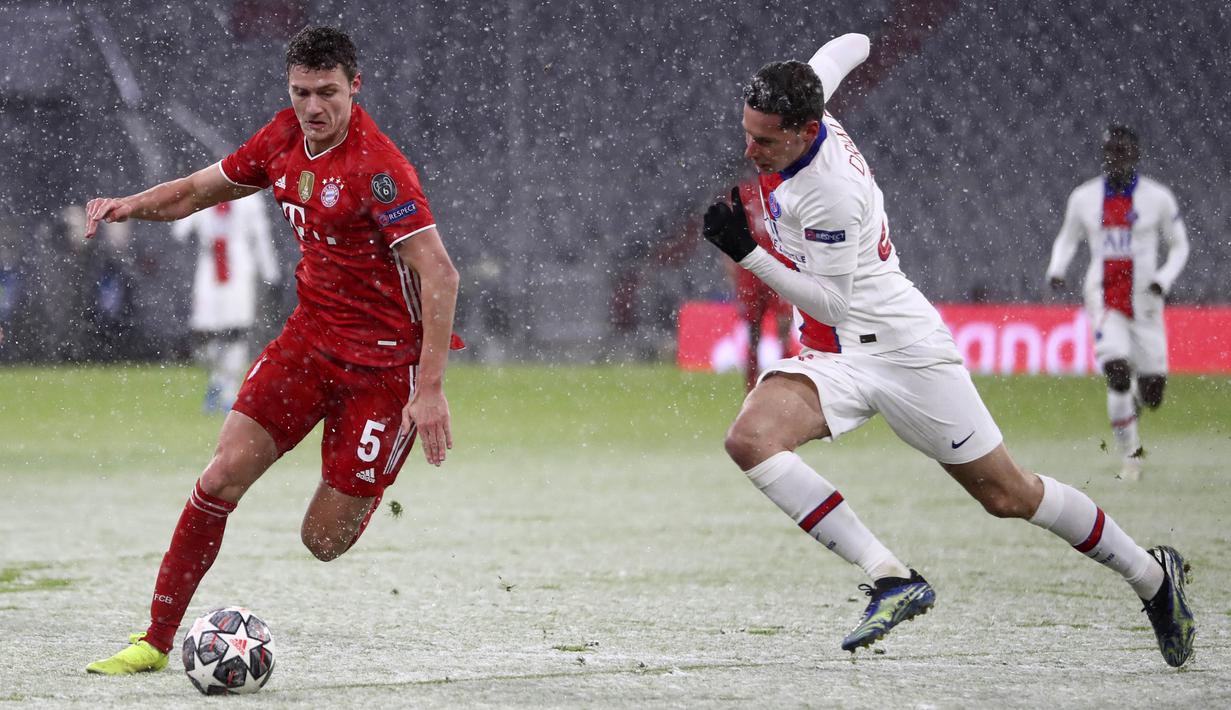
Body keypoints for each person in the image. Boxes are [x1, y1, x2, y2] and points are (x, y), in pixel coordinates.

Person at [700, 34, 1195, 666]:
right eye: (747, 132)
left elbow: (832, 303)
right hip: (835, 357)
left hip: (901, 350)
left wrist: (747, 253)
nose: (750, 149)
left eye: (765, 140)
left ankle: (1153, 579)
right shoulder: (808, 112)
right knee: (749, 440)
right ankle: (891, 576)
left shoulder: (828, 193)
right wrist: (849, 50)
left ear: (803, 131)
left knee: (1010, 496)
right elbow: (847, 46)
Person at [84, 26, 462, 675]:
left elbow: (442, 274)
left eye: (327, 93)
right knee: (221, 475)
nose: (313, 107)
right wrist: (130, 205)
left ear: (354, 88)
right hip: (309, 343)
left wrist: (427, 390)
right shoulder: (281, 138)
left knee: (321, 541)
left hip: (382, 370)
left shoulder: (379, 169)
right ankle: (153, 639)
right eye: (301, 93)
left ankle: (367, 480)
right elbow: (197, 191)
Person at [1046, 125, 1189, 481]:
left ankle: (1134, 408)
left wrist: (1162, 280)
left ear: (1135, 154)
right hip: (1104, 297)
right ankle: (1132, 456)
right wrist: (1057, 268)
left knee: (1153, 393)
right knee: (1117, 371)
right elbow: (1068, 238)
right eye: (1110, 151)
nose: (1115, 157)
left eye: (1122, 151)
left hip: (1146, 302)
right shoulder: (1084, 198)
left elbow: (1180, 245)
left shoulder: (1158, 198)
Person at [171, 193, 281, 412]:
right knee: (204, 335)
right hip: (210, 269)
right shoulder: (204, 194)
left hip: (239, 270)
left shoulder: (250, 199)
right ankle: (218, 379)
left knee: (235, 333)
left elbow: (260, 237)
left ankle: (228, 391)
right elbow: (179, 229)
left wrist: (270, 272)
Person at [726, 177, 797, 392]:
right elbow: (731, 233)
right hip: (751, 271)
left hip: (779, 266)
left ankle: (785, 384)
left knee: (783, 327)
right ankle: (752, 387)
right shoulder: (743, 192)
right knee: (753, 332)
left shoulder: (785, 189)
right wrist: (733, 267)